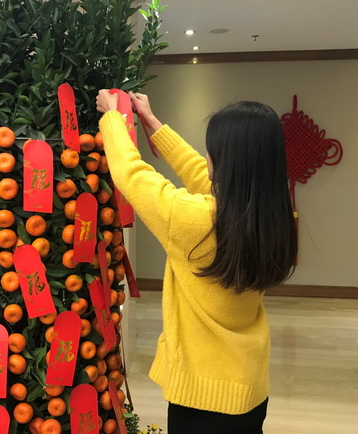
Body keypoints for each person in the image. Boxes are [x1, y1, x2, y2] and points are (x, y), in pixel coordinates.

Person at [96, 90, 298, 434]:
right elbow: (202, 176)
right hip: (249, 386)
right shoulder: (273, 217)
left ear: (225, 162)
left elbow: (132, 175)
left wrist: (112, 118)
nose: (205, 157)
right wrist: (153, 124)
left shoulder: (195, 220)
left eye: (210, 150)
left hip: (204, 399)